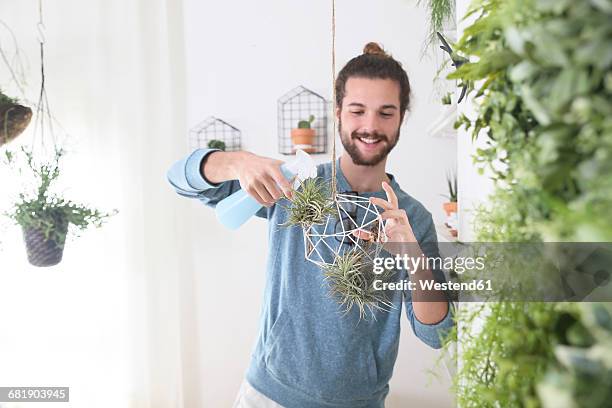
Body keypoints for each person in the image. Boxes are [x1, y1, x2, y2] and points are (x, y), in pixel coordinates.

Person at [167, 42, 454, 408]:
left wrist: (411, 254)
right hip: (267, 396)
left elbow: (438, 333)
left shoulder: (412, 218)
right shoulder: (295, 183)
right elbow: (178, 179)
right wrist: (237, 162)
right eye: (357, 111)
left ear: (401, 118)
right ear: (338, 113)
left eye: (386, 112)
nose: (370, 126)